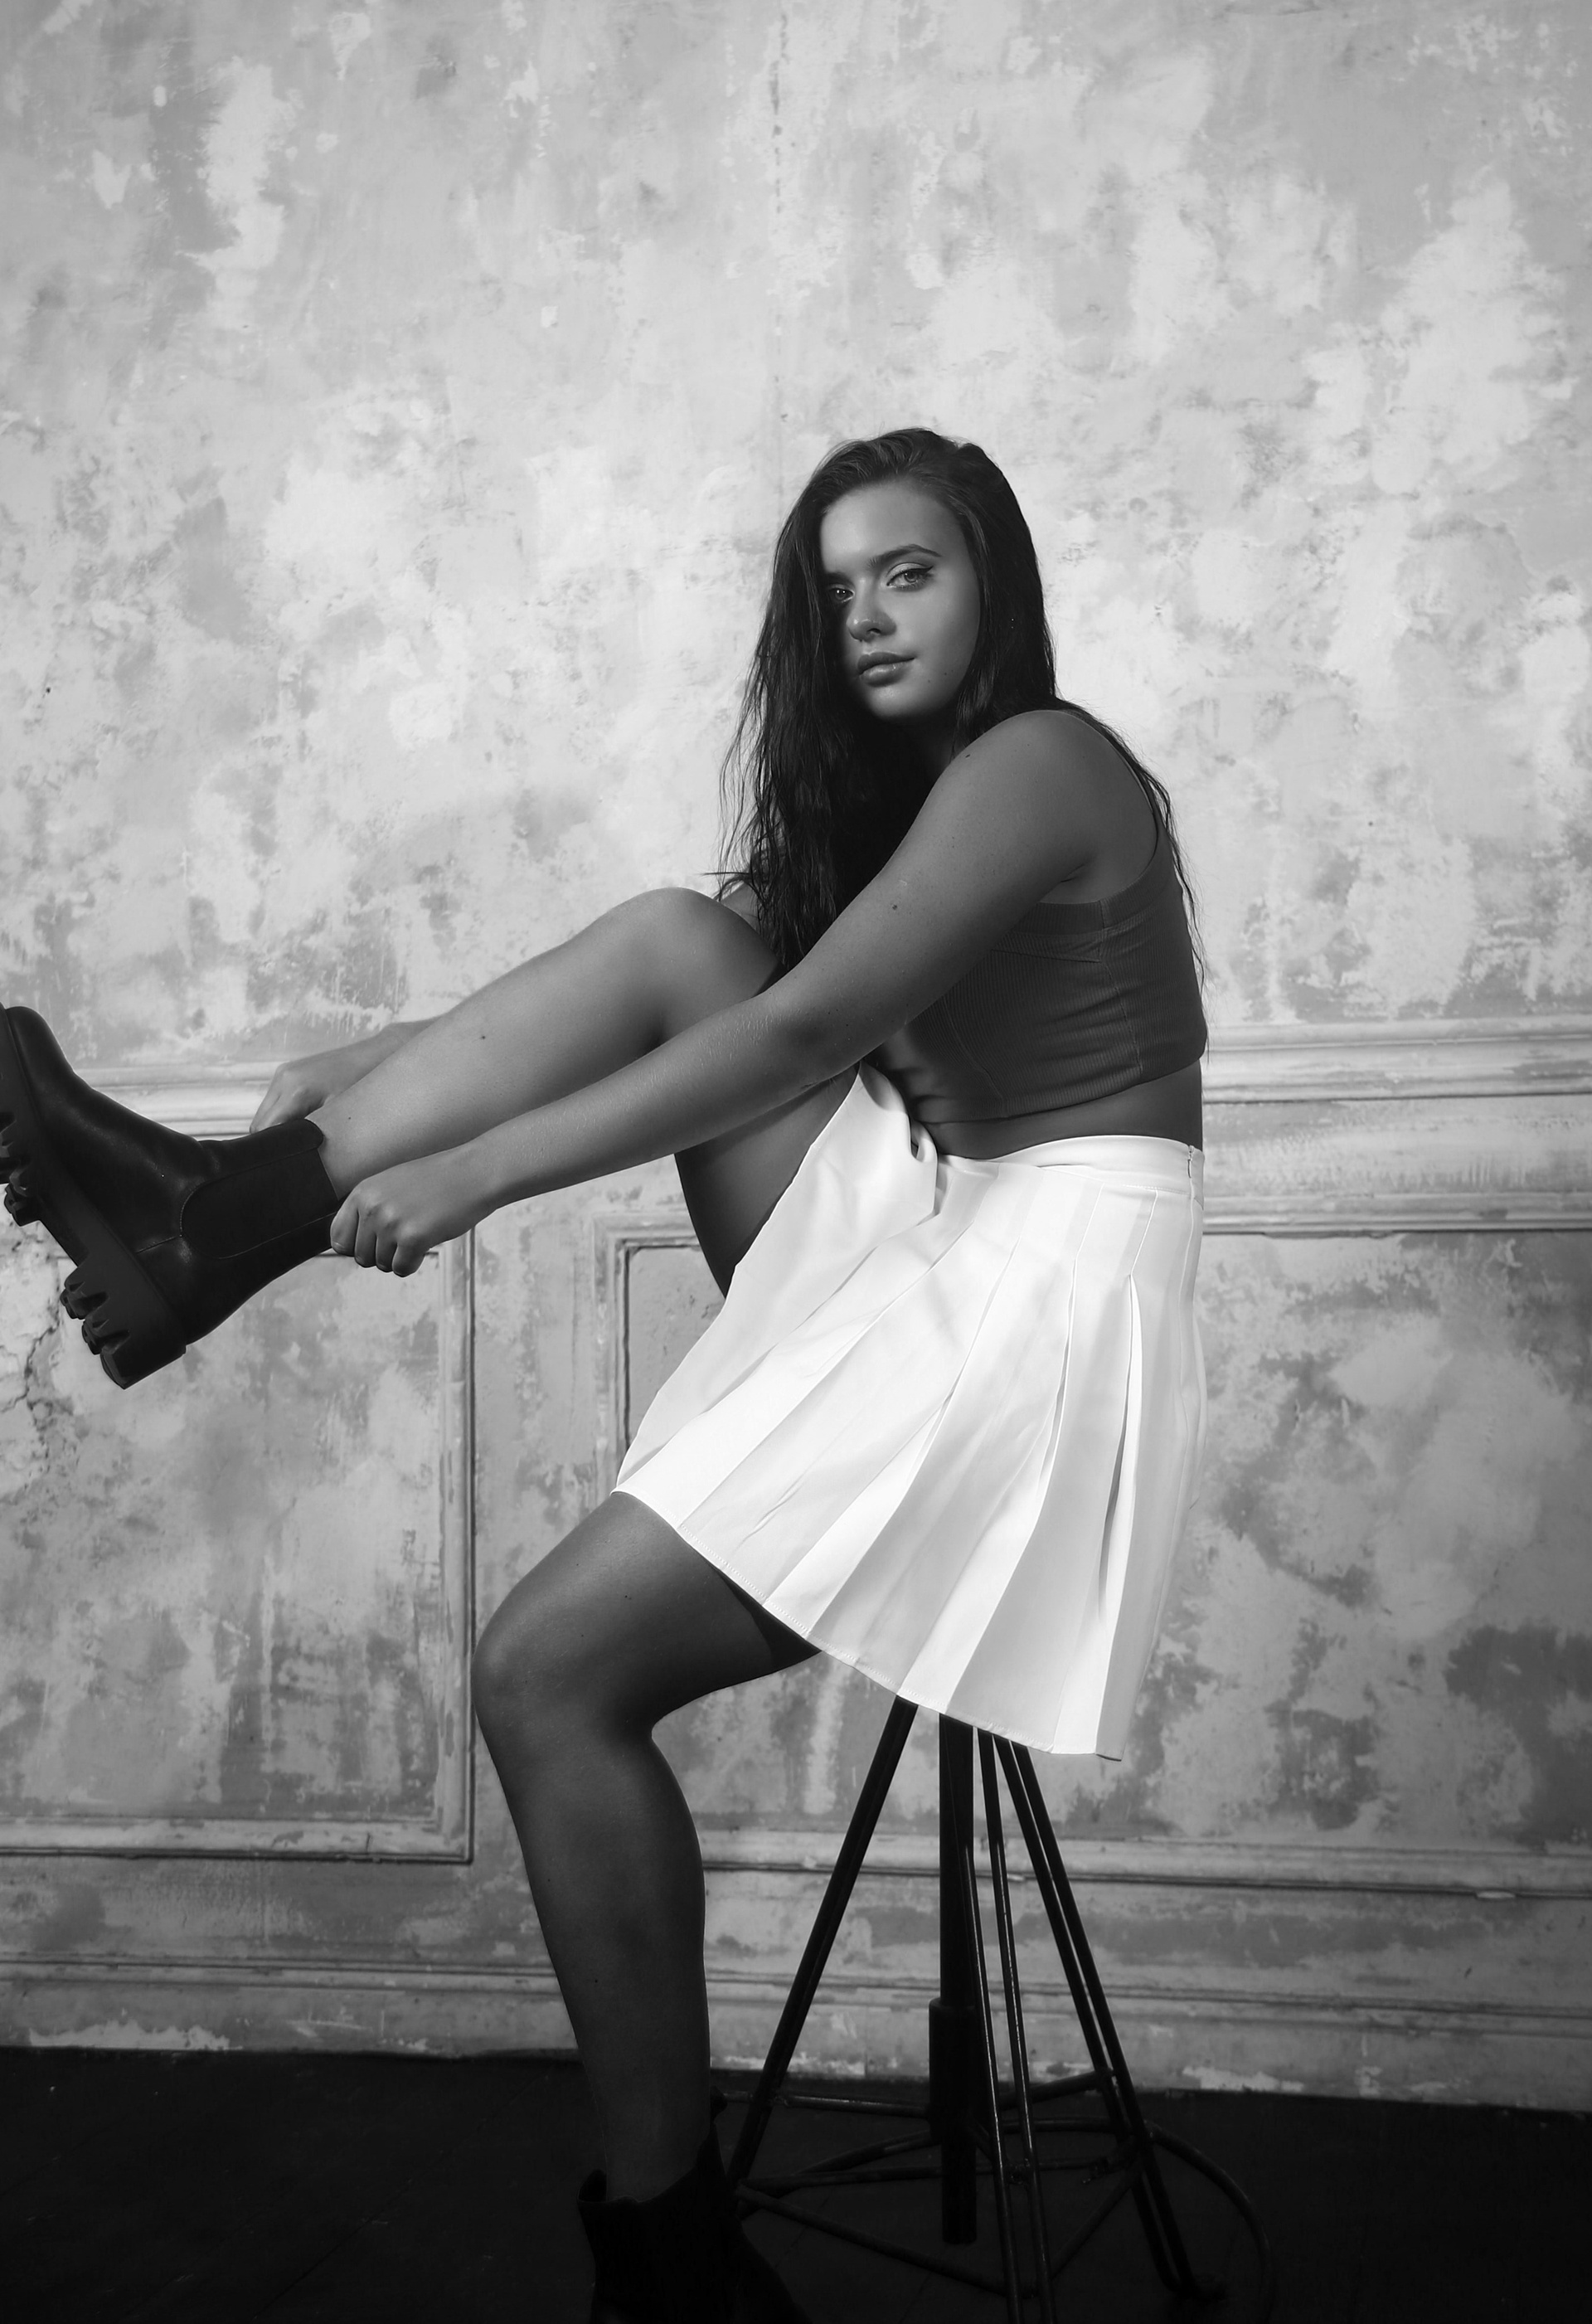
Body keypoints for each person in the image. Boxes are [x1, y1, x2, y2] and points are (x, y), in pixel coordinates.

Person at [0, 428, 1207, 2324]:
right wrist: (393, 1064)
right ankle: (215, 1215)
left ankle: (670, 2252)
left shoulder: (1042, 764)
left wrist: (475, 1169)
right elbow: (722, 981)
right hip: (948, 1227)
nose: (868, 617)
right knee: (675, 936)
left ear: (996, 581)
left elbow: (804, 1028)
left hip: (1038, 1303)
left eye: (910, 572)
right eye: (835, 589)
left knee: (546, 1672)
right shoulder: (926, 800)